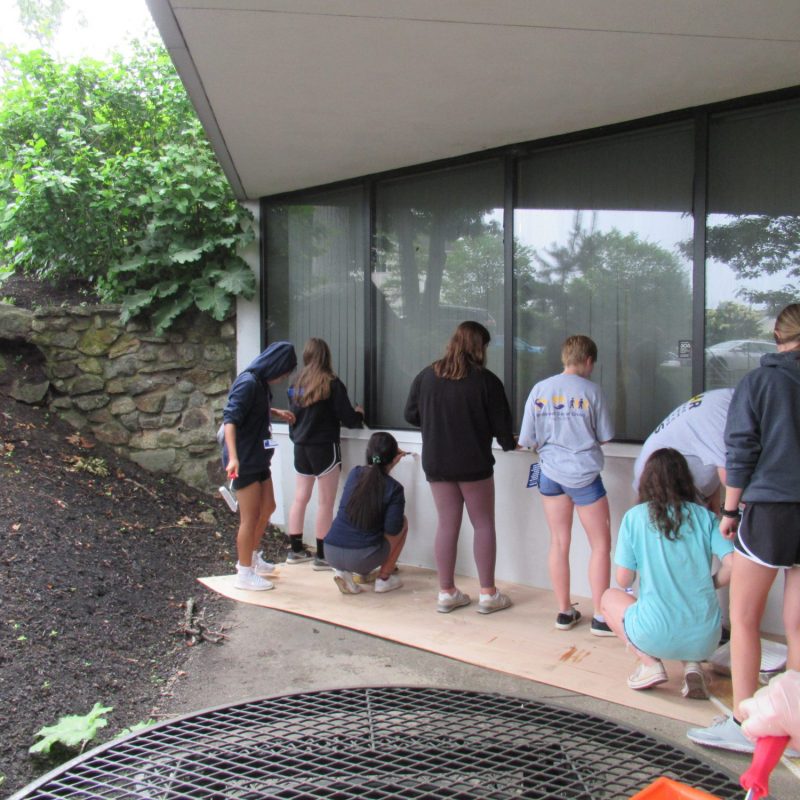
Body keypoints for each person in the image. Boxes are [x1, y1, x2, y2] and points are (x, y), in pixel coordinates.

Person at [688, 303, 800, 753]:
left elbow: (740, 451)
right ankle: (794, 723)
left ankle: (743, 722)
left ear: (777, 336)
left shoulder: (759, 382)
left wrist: (730, 512)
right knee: (798, 624)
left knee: (744, 618)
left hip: (771, 510)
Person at [601, 448, 733, 698]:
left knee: (608, 598)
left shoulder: (634, 518)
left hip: (653, 633)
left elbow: (623, 579)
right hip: (706, 638)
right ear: (686, 481)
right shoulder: (706, 518)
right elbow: (734, 565)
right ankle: (692, 665)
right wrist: (710, 583)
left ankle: (650, 665)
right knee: (687, 616)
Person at [404, 320, 516, 615]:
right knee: (483, 524)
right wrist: (510, 443)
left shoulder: (427, 376)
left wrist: (436, 421)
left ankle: (446, 592)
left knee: (447, 524)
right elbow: (503, 431)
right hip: (473, 463)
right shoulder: (486, 381)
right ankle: (488, 594)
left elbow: (410, 414)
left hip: (437, 462)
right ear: (479, 347)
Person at [518, 334, 614, 635]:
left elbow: (527, 439)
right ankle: (600, 617)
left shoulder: (540, 389)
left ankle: (564, 612)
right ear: (588, 360)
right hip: (584, 475)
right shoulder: (592, 391)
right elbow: (605, 437)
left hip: (549, 474)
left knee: (559, 542)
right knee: (600, 545)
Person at [222, 341, 297, 590]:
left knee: (268, 507)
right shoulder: (247, 382)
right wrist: (233, 458)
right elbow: (230, 420)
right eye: (284, 372)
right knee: (250, 517)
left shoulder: (260, 384)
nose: (283, 378)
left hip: (259, 457)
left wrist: (275, 412)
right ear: (276, 366)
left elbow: (253, 409)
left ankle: (252, 558)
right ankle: (244, 573)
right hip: (244, 460)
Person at [286, 338, 364, 569]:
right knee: (325, 502)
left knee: (300, 497)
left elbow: (292, 417)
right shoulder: (331, 383)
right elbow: (348, 418)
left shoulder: (295, 383)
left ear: (306, 356)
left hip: (300, 447)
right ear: (326, 356)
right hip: (324, 448)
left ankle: (295, 550)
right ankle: (322, 556)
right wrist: (359, 414)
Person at [324, 432, 408, 594]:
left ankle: (344, 573)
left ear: (368, 453)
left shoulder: (355, 473)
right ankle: (384, 579)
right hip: (361, 558)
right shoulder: (394, 488)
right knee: (403, 522)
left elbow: (375, 476)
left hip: (331, 551)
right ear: (393, 458)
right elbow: (393, 529)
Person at [632, 389, 733, 513]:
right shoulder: (722, 412)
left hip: (688, 493)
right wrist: (732, 514)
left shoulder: (724, 401)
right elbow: (731, 476)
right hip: (662, 486)